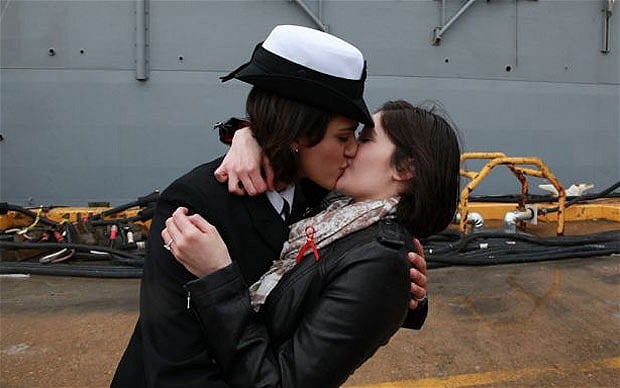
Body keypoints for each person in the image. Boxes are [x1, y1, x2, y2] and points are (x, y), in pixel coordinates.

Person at [112, 25, 428, 387]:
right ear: (298, 133)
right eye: (343, 137)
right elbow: (176, 365)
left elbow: (338, 281)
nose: (352, 150)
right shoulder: (194, 205)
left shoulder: (323, 198)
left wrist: (401, 290)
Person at [164, 99, 461, 387]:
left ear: (405, 168)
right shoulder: (338, 214)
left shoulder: (380, 262)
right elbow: (296, 147)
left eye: (366, 139)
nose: (351, 148)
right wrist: (248, 136)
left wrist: (219, 278)